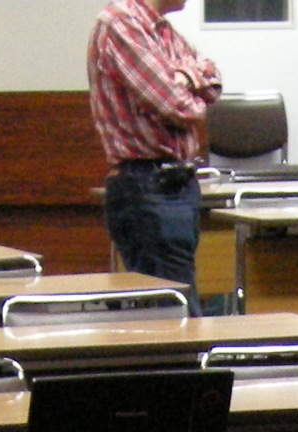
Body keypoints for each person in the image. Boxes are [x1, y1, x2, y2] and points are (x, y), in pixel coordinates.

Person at [87, 0, 221, 289]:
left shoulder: (162, 30)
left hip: (175, 184)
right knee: (172, 304)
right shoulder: (120, 24)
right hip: (146, 184)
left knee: (173, 298)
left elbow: (214, 79)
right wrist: (191, 84)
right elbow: (178, 107)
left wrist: (183, 77)